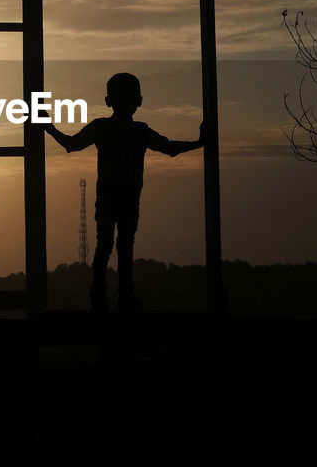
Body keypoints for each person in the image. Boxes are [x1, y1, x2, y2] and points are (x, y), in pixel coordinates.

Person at [45, 72, 205, 312]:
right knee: (116, 244)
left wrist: (48, 127)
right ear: (139, 101)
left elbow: (71, 144)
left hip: (119, 199)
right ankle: (111, 295)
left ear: (109, 101)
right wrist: (199, 143)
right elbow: (169, 148)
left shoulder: (123, 129)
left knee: (111, 244)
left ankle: (109, 295)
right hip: (118, 198)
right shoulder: (134, 131)